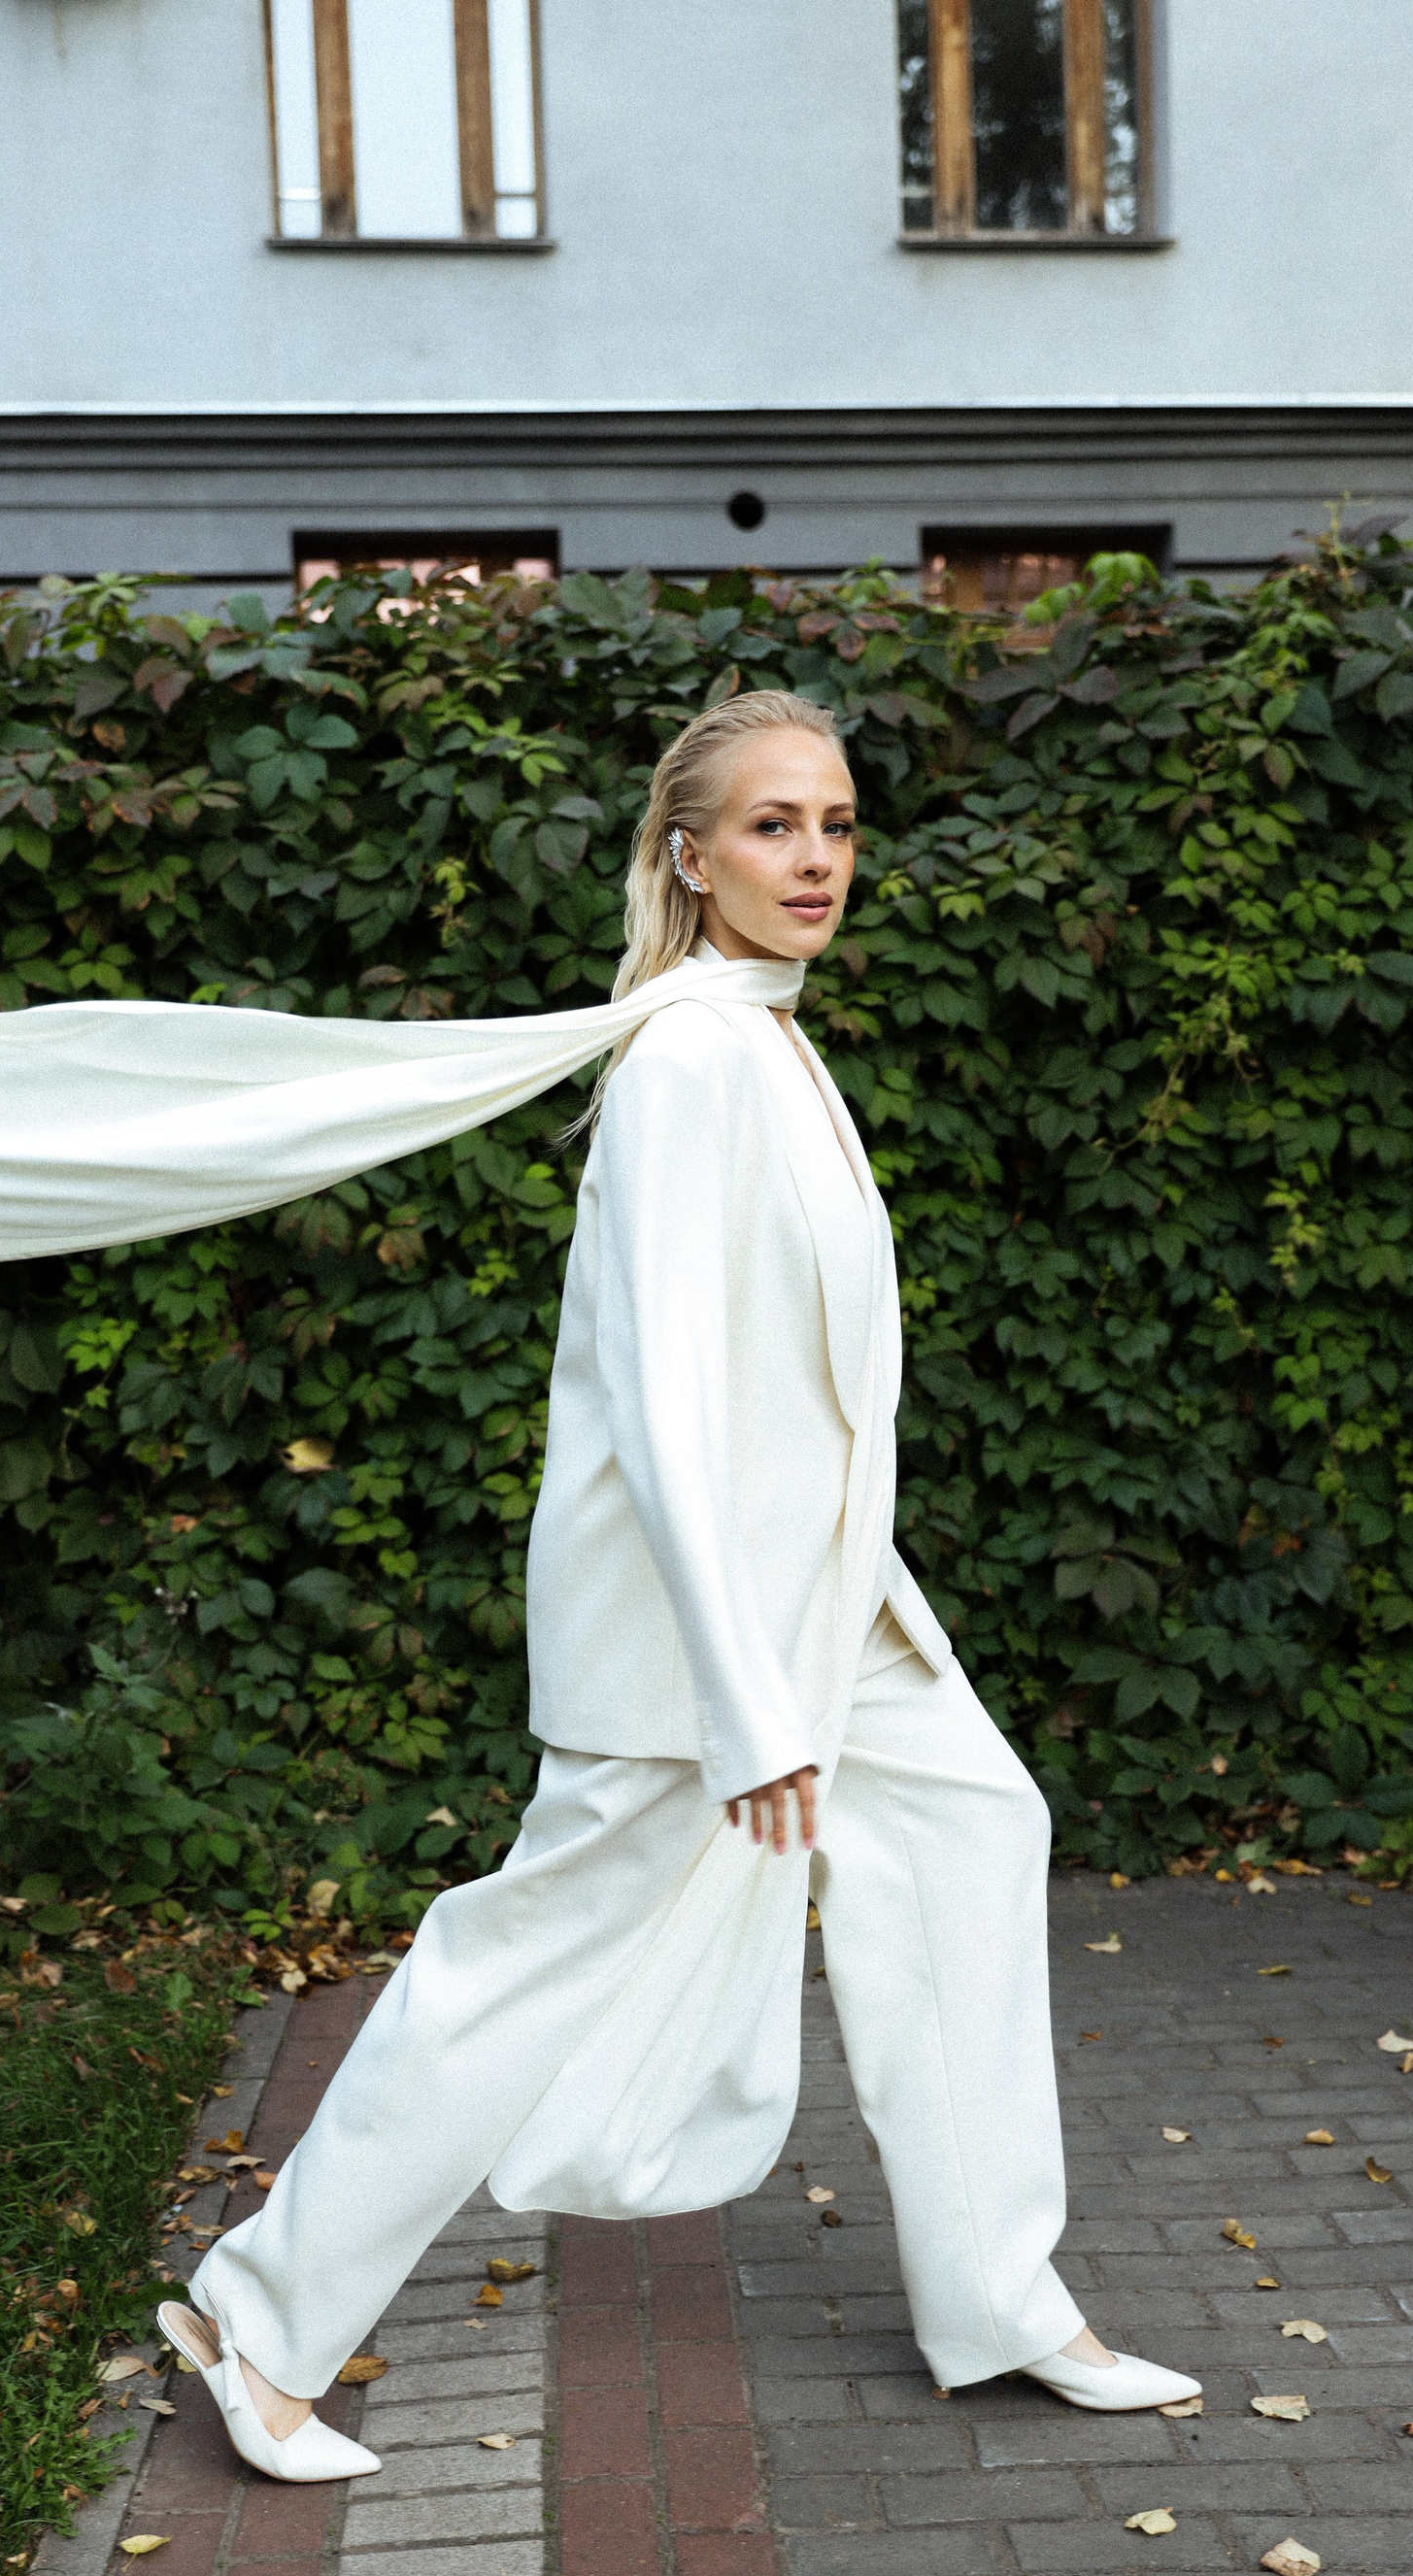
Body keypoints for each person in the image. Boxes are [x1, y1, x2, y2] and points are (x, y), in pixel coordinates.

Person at [160, 690, 1200, 2482]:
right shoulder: (692, 1061)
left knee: (974, 1827)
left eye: (839, 825)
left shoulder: (769, 1041)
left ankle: (1000, 2298)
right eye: (775, 826)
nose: (817, 859)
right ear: (691, 855)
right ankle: (261, 2320)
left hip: (826, 1606)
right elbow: (659, 1399)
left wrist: (841, 1606)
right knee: (527, 1954)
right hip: (695, 1634)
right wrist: (743, 1696)